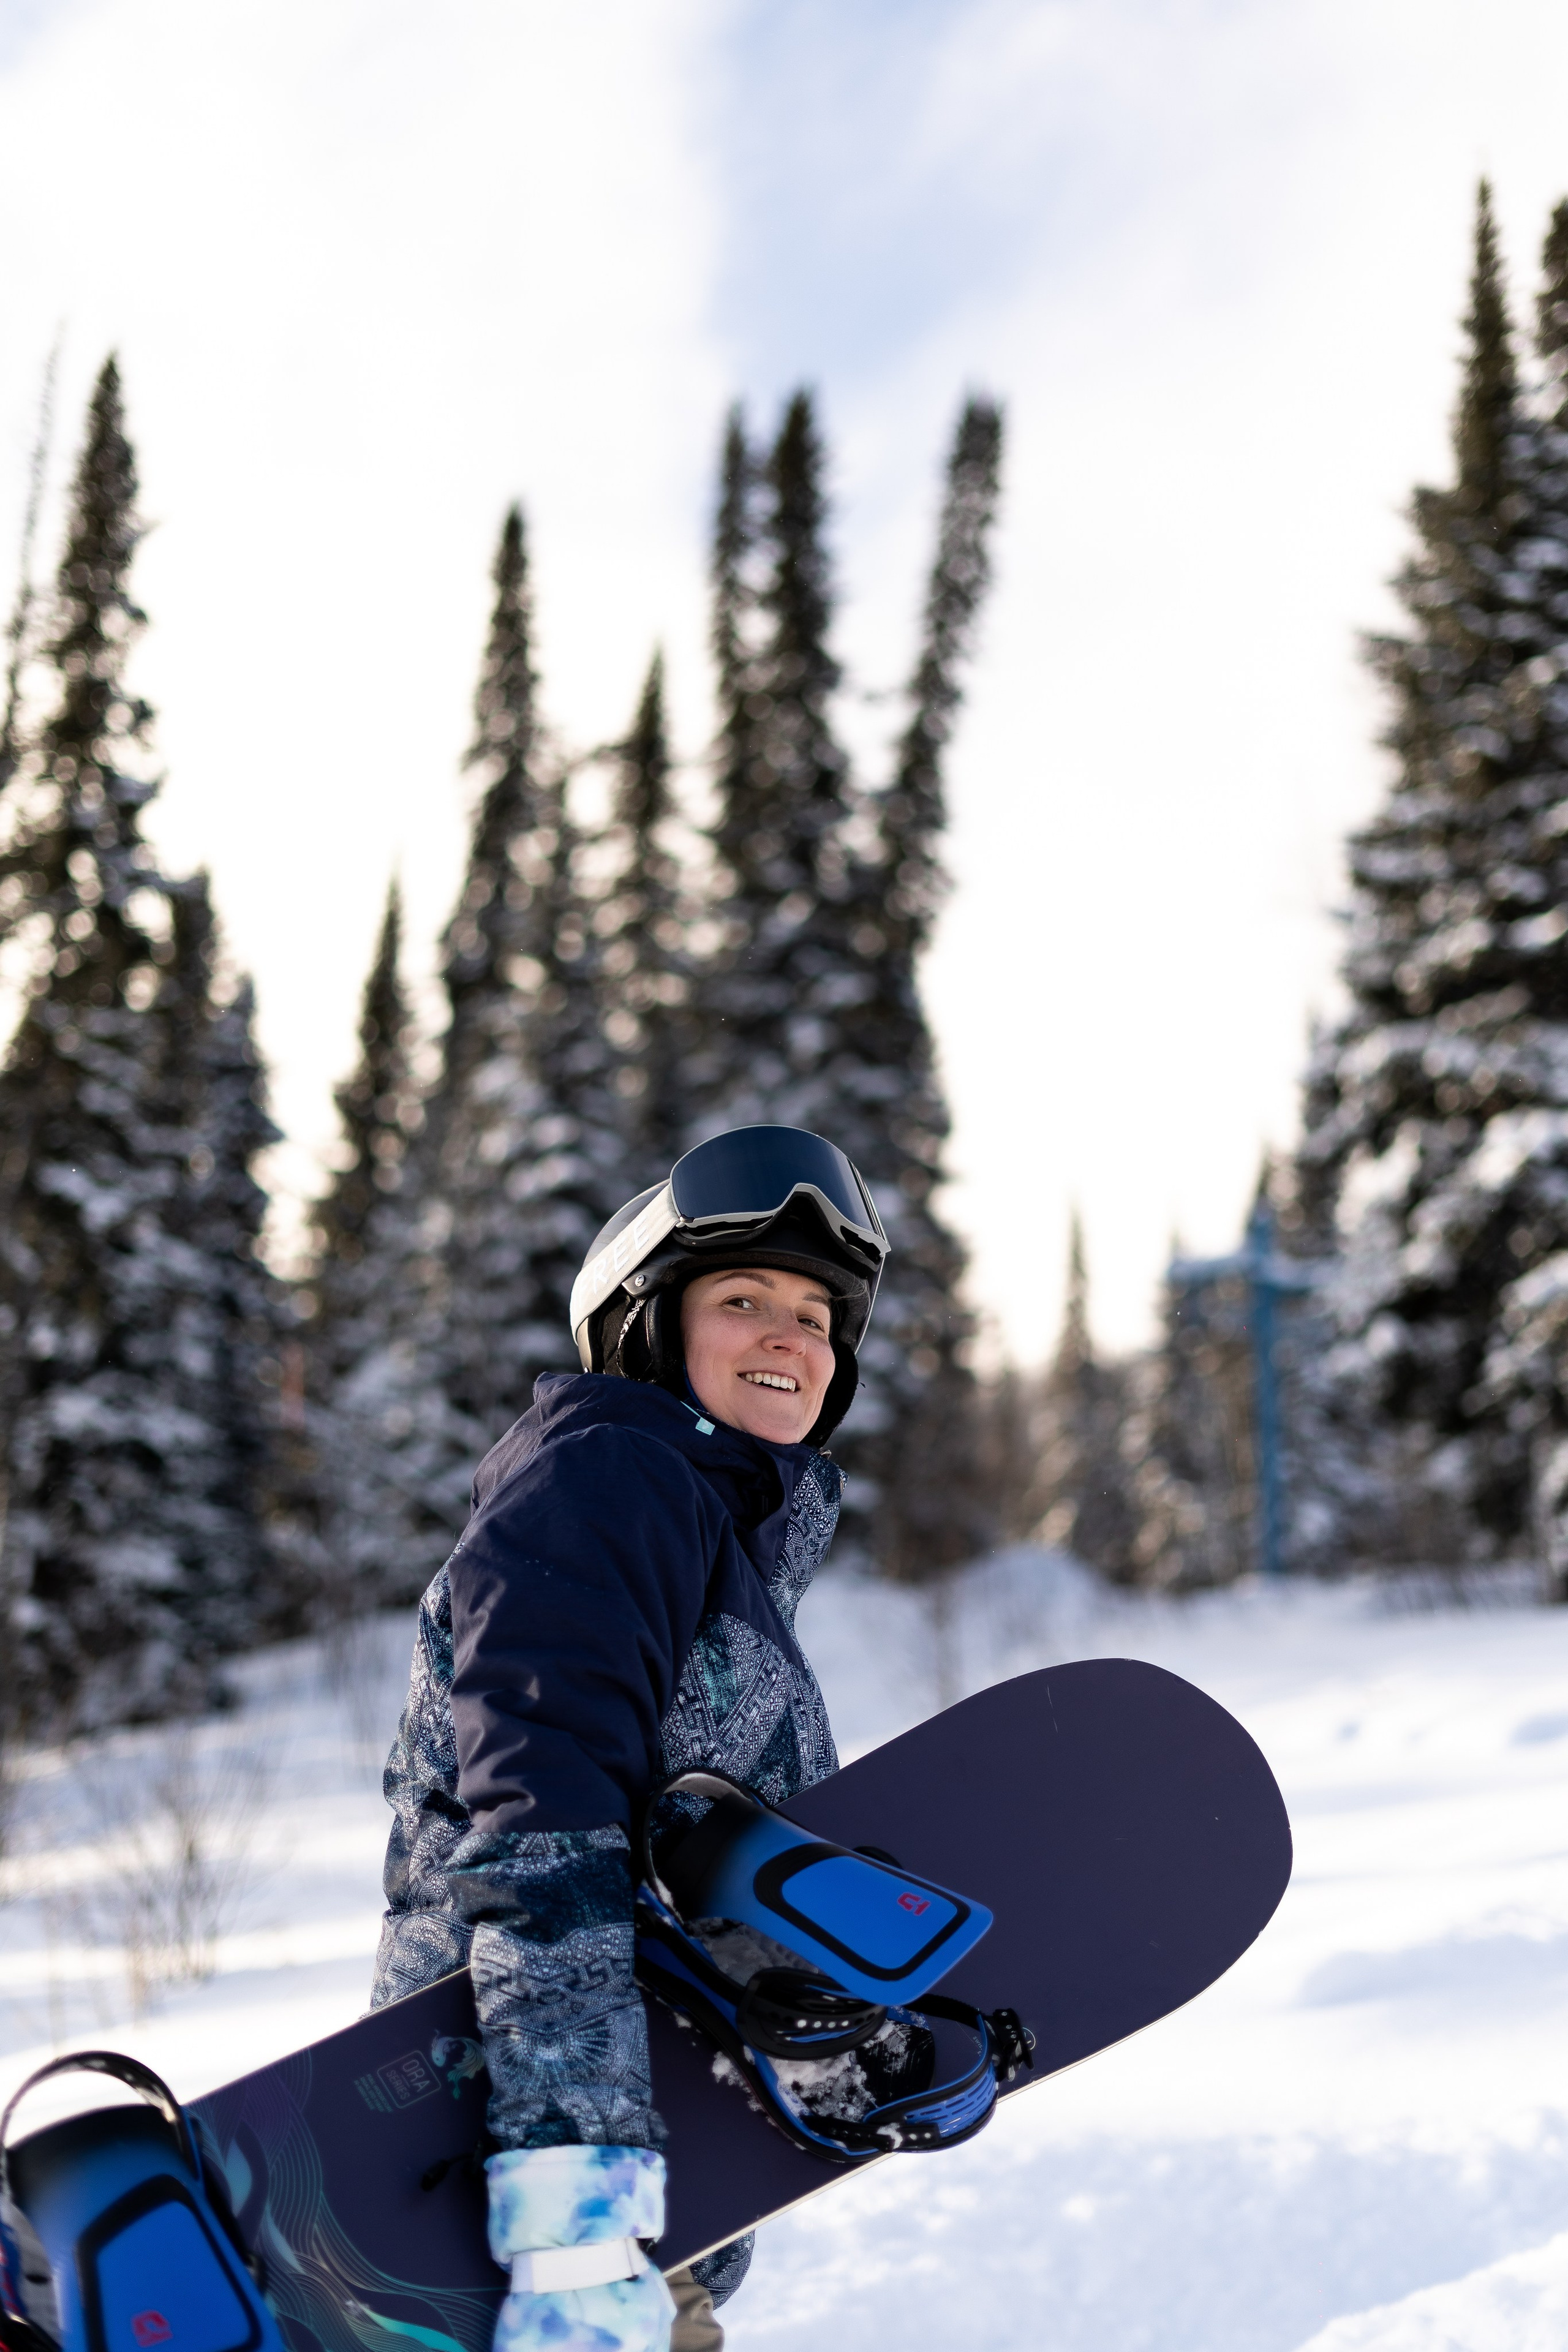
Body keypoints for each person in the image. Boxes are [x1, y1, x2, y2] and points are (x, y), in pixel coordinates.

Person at [370, 1126, 889, 2352]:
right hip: (538, 2157)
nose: (791, 1338)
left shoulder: (701, 1525)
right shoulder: (606, 1482)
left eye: (815, 1317)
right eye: (743, 1300)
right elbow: (541, 1834)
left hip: (631, 2150)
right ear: (647, 1328)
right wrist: (573, 2207)